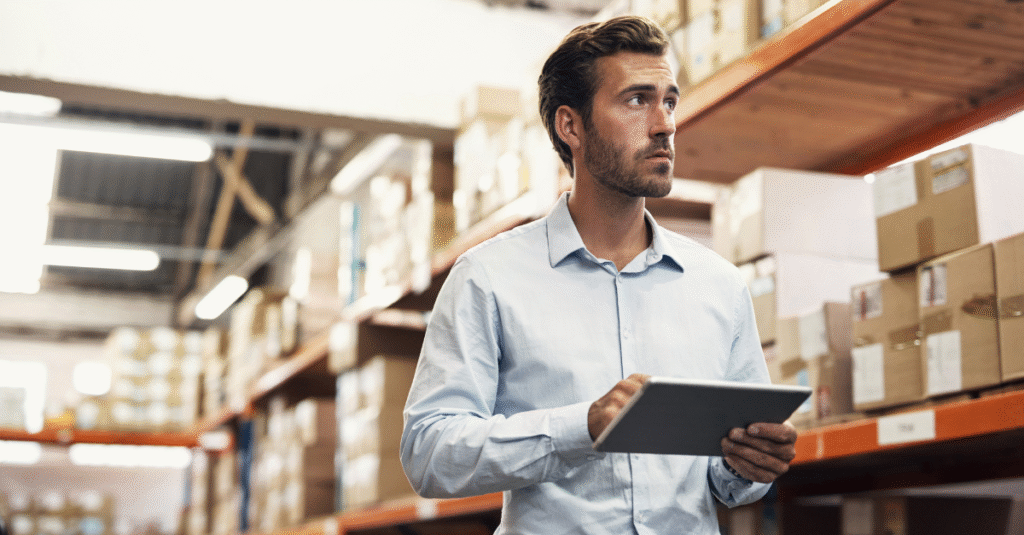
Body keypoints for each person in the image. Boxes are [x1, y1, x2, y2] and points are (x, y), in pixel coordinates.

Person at [400, 15, 797, 534]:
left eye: (669, 101)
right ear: (572, 127)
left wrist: (750, 465)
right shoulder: (489, 278)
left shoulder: (718, 286)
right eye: (637, 100)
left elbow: (730, 483)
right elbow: (429, 453)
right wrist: (579, 427)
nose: (664, 124)